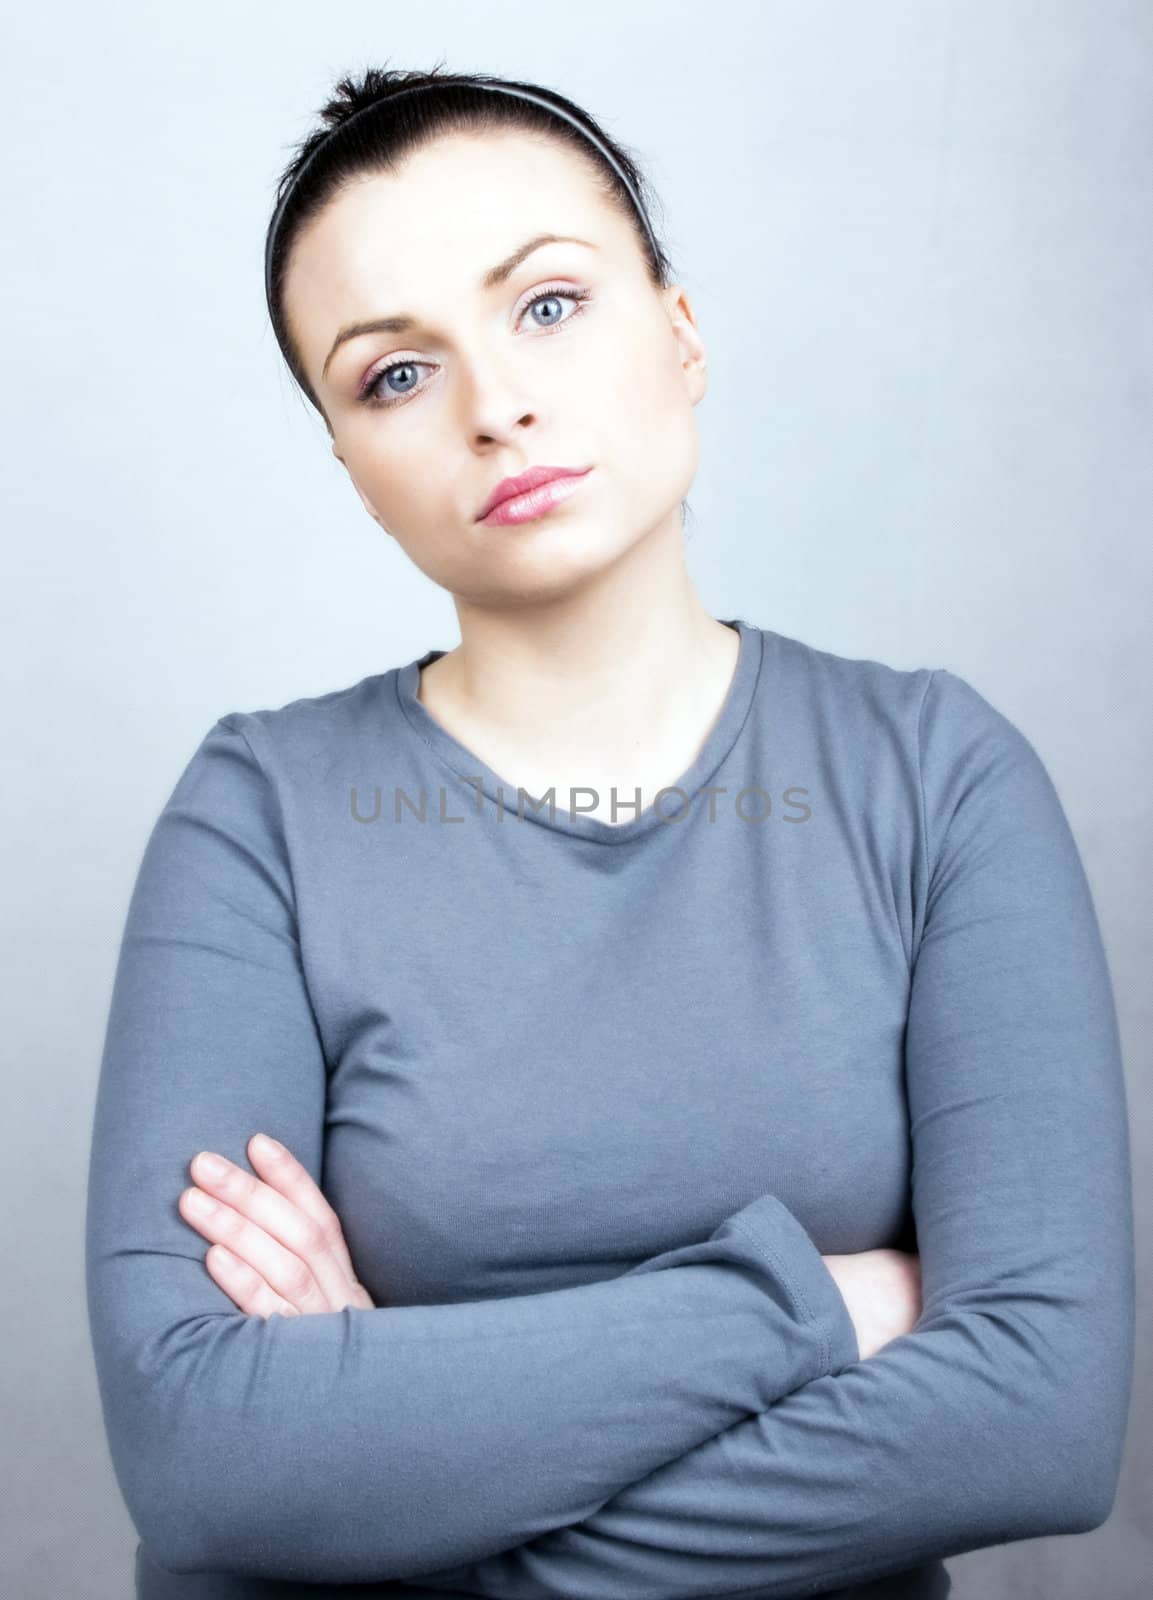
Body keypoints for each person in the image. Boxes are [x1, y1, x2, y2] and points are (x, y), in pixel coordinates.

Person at [85, 65, 1135, 1600]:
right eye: (393, 374)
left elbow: (1037, 1422)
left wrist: (388, 1463)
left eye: (549, 306)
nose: (496, 404)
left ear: (682, 330)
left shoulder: (936, 776)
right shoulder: (257, 817)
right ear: (345, 460)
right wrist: (811, 1309)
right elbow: (201, 1457)